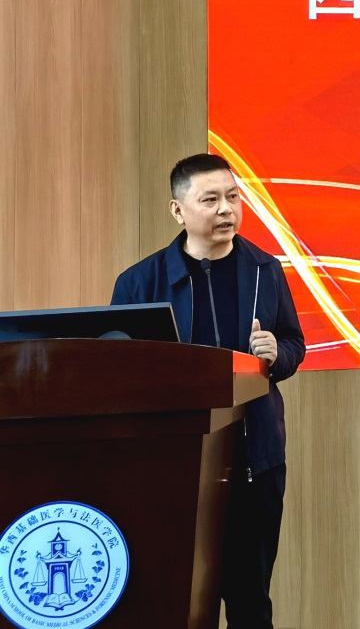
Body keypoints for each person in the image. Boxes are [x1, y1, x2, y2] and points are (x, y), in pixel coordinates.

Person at [111, 153, 305, 629]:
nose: (226, 209)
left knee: (250, 602)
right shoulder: (140, 283)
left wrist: (276, 352)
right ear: (178, 211)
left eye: (233, 197)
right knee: (180, 601)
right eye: (210, 199)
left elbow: (294, 344)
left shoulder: (264, 269)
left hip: (254, 460)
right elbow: (117, 369)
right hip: (173, 468)